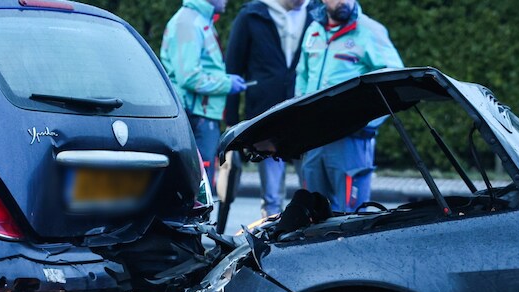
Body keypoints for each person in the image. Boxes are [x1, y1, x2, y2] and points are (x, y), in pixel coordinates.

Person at [295, 0, 402, 211]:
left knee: (352, 215)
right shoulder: (314, 29)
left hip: (350, 140)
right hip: (314, 139)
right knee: (313, 213)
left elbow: (394, 81)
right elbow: (302, 76)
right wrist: (299, 120)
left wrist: (366, 123)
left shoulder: (370, 31)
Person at [224, 0, 310, 219]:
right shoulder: (251, 15)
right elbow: (233, 68)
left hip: (306, 113)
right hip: (266, 116)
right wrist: (232, 124)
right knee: (271, 196)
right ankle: (271, 240)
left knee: (312, 187)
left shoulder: (316, 14)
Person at [161, 0, 248, 187]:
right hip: (196, 117)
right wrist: (227, 83)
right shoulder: (188, 23)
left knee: (200, 184)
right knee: (197, 186)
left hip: (201, 115)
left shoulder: (198, 21)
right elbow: (189, 77)